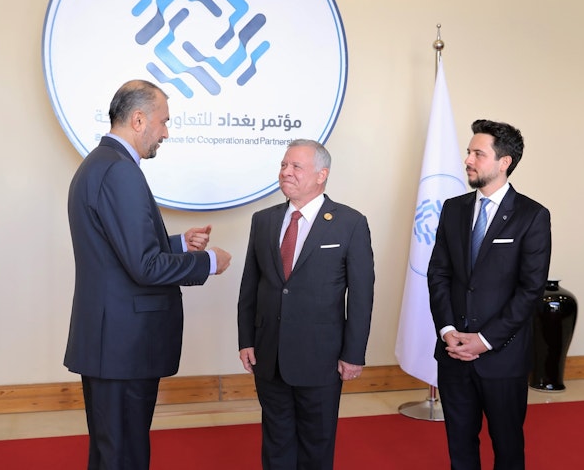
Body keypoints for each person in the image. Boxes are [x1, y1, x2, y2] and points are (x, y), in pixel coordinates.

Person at [65, 79, 232, 470]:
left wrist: (175, 242)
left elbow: (116, 250)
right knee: (124, 456)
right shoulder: (120, 172)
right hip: (123, 345)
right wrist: (208, 262)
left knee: (113, 451)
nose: (166, 132)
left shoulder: (100, 164)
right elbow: (144, 267)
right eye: (163, 122)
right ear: (138, 119)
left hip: (111, 343)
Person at [237, 139, 375, 470]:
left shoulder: (350, 222)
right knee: (276, 440)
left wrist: (353, 354)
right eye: (284, 165)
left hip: (322, 358)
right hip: (269, 355)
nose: (286, 172)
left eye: (296, 167)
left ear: (321, 175)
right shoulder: (264, 220)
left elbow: (361, 294)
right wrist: (246, 340)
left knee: (316, 442)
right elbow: (250, 286)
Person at [428, 119, 551, 470]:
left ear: (504, 162)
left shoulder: (532, 216)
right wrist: (448, 330)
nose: (468, 159)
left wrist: (484, 339)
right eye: (468, 152)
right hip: (453, 354)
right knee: (460, 446)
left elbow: (530, 290)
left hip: (503, 358)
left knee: (507, 446)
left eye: (478, 153)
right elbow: (439, 274)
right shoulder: (453, 209)